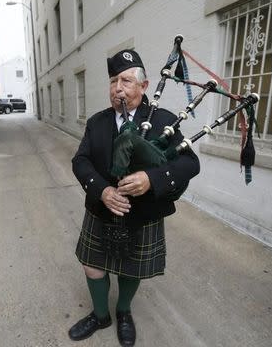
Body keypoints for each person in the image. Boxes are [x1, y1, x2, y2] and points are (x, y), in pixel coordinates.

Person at [69, 49, 200, 346]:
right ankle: (100, 316)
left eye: (126, 80)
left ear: (144, 86)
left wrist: (150, 179)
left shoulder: (165, 120)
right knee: (92, 265)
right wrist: (102, 190)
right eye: (114, 80)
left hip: (142, 212)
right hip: (101, 209)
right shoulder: (97, 122)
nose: (118, 87)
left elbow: (190, 163)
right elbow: (81, 161)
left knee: (132, 268)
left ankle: (124, 312)